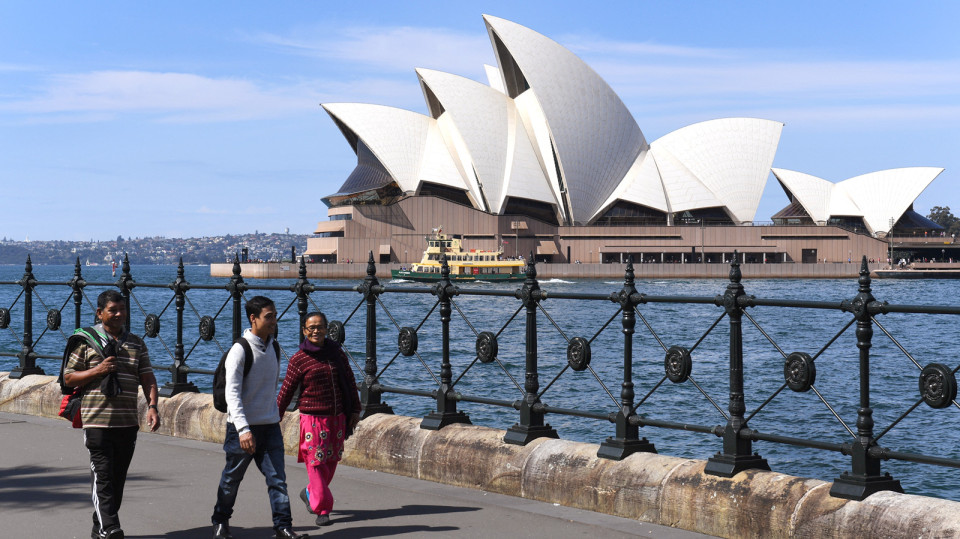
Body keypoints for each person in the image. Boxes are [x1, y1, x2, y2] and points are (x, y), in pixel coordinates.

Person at [63, 290, 161, 539]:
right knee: (103, 477)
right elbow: (68, 377)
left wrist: (152, 407)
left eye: (122, 309)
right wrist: (98, 370)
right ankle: (111, 528)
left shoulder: (136, 342)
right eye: (113, 310)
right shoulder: (86, 341)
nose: (119, 314)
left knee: (117, 480)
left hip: (127, 422)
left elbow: (147, 377)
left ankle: (100, 528)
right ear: (99, 313)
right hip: (96, 420)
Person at [211, 296, 308, 539]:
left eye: (275, 315)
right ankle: (221, 521)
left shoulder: (273, 346)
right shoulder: (239, 350)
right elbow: (232, 394)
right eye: (269, 316)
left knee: (278, 479)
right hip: (243, 429)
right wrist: (243, 429)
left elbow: (269, 388)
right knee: (232, 478)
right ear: (253, 319)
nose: (274, 321)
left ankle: (283, 527)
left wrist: (275, 415)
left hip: (270, 425)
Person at [277, 312, 361, 527]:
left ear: (326, 329)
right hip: (313, 419)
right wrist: (275, 415)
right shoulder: (299, 359)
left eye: (320, 327)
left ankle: (308, 492)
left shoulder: (336, 354)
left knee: (330, 462)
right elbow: (286, 390)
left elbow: (350, 381)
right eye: (311, 328)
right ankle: (322, 508)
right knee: (316, 462)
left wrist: (355, 410)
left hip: (337, 417)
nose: (316, 331)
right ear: (304, 331)